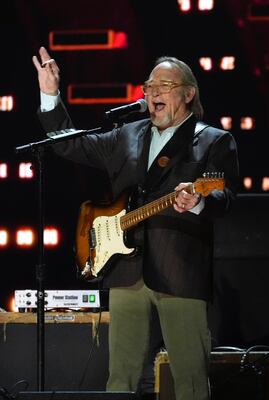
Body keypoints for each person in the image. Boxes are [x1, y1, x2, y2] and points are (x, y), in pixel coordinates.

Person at [32, 46, 239, 400]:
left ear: (189, 94)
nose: (153, 92)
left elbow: (227, 199)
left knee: (190, 380)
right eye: (149, 86)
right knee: (120, 380)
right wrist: (50, 94)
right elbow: (71, 146)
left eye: (164, 85)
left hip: (180, 271)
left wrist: (200, 201)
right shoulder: (127, 133)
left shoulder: (213, 141)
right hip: (125, 270)